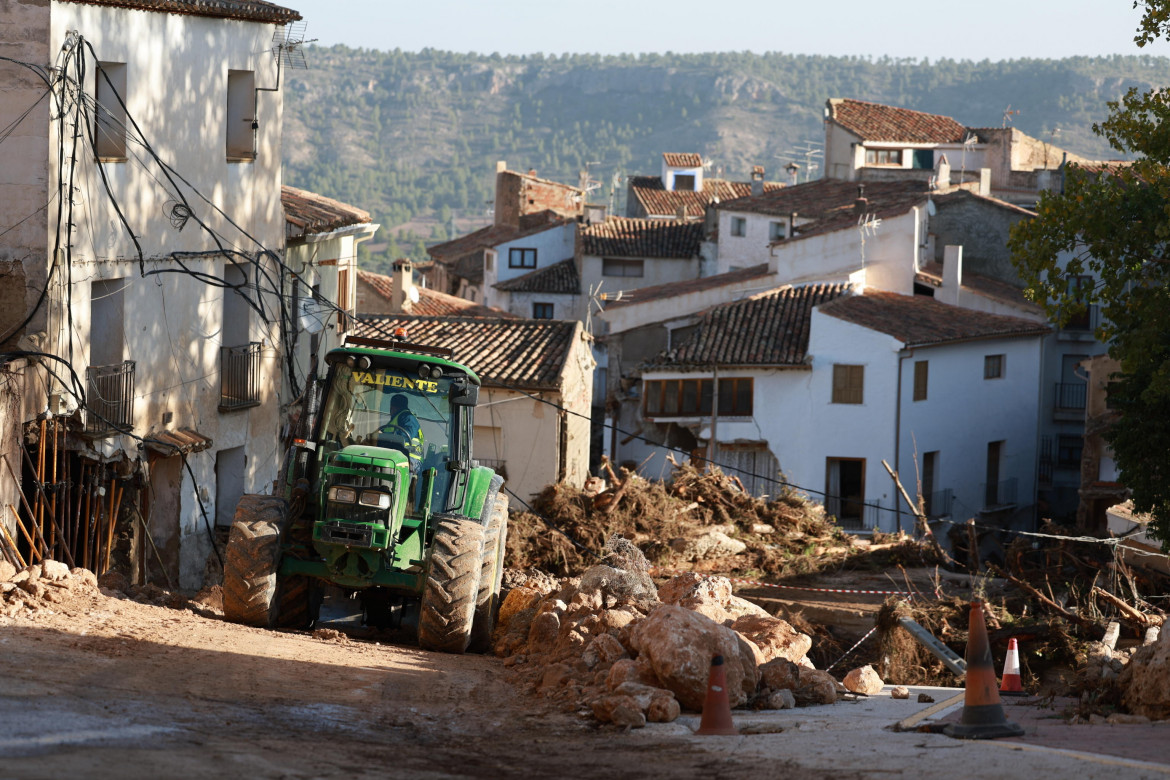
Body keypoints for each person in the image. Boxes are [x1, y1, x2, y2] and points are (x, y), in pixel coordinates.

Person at [380, 393, 423, 472]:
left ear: (392, 407)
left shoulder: (409, 418)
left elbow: (406, 435)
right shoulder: (393, 422)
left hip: (410, 459)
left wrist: (384, 436)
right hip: (397, 456)